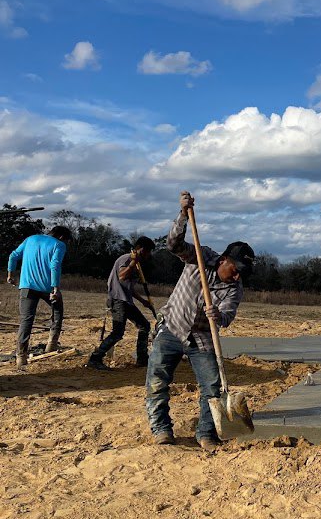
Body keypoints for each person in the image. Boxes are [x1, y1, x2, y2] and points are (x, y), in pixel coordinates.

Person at [145, 191, 255, 447]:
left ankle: (206, 433)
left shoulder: (234, 288)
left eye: (243, 273)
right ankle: (161, 430)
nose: (238, 277)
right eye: (236, 270)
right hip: (172, 327)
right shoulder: (201, 256)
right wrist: (183, 214)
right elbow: (173, 245)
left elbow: (227, 315)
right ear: (225, 259)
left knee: (212, 388)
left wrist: (218, 315)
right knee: (157, 382)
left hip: (202, 338)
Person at [6, 225, 73, 369]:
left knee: (26, 321)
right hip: (47, 287)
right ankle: (51, 344)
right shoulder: (59, 244)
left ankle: (21, 357)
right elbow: (55, 265)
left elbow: (13, 255)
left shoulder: (31, 239)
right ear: (62, 237)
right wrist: (55, 288)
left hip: (27, 286)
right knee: (57, 311)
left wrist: (10, 275)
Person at [87, 236, 157, 370]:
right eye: (148, 252)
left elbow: (128, 287)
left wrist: (143, 301)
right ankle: (95, 358)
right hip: (118, 300)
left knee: (144, 325)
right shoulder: (127, 259)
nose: (148, 255)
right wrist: (132, 263)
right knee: (118, 332)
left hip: (126, 300)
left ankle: (142, 359)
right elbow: (122, 276)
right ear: (141, 250)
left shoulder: (135, 263)